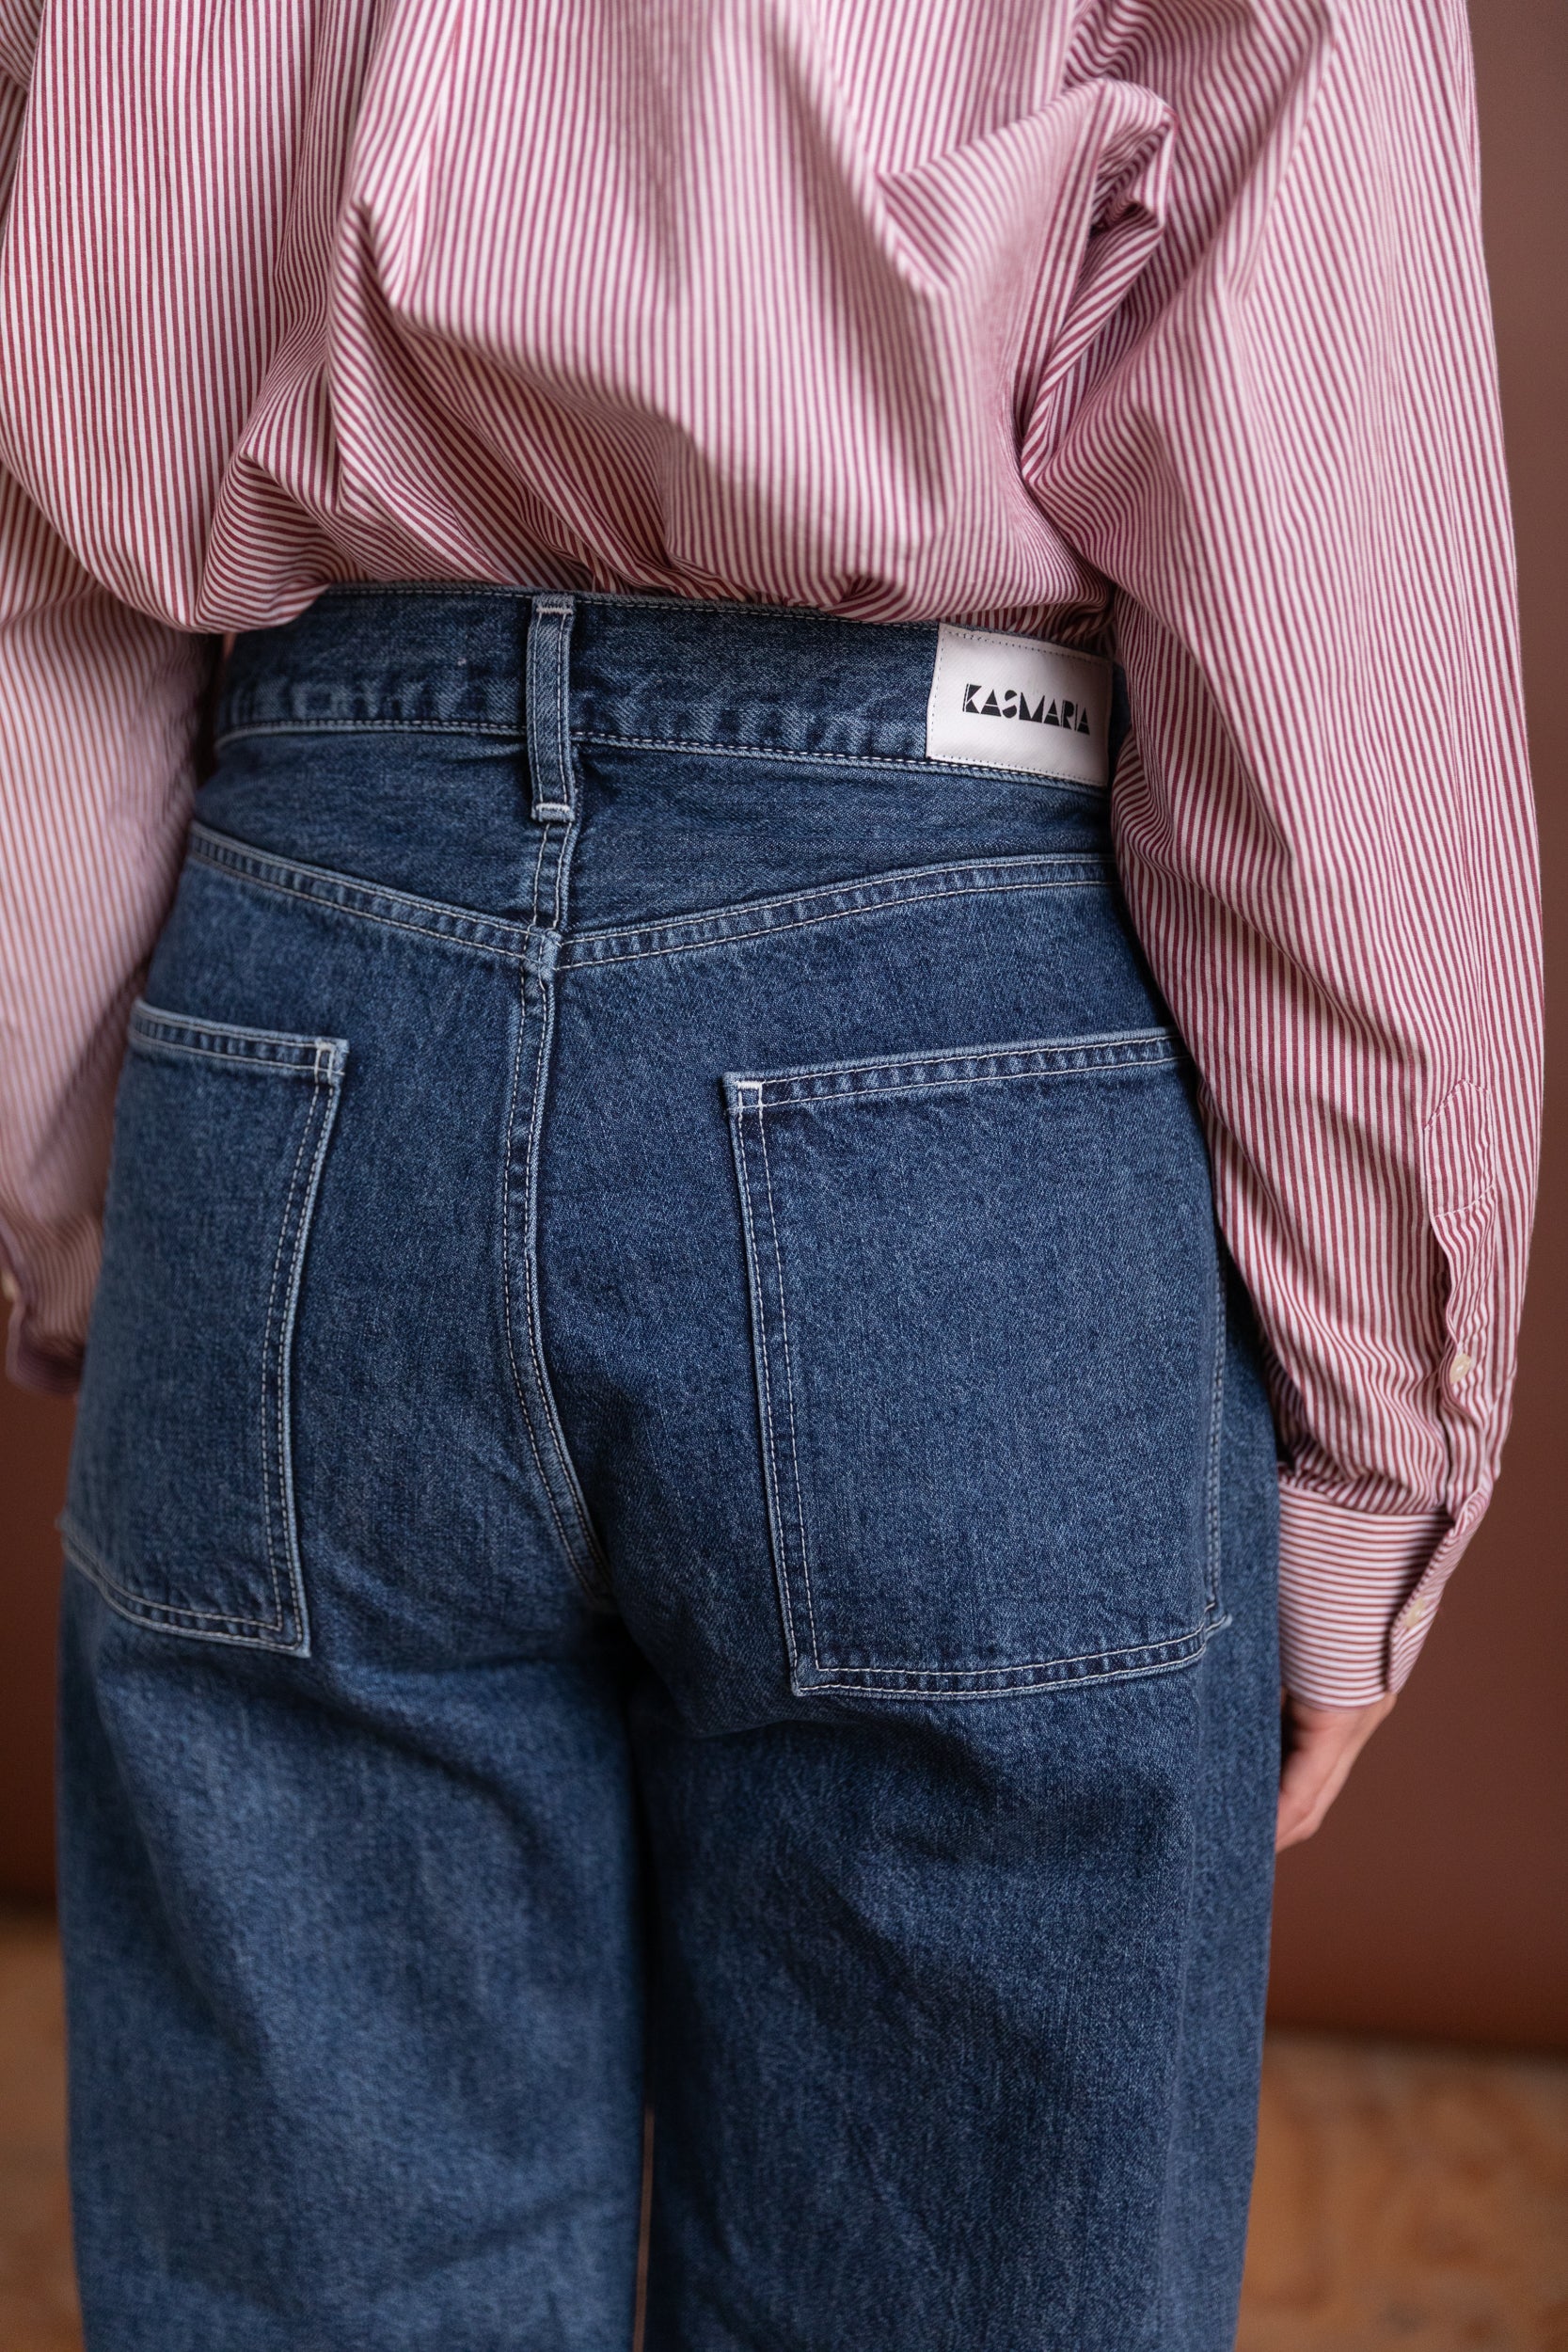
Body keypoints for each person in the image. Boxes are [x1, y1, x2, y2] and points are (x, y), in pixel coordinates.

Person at [0, 3, 1540, 2347]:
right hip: (944, 992)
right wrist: (1376, 1430)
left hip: (299, 980)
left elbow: (54, 505)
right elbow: (1320, 554)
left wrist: (101, 1206)